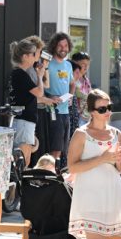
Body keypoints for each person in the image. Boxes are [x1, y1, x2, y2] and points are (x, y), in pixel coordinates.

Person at [66, 88, 121, 239]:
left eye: (109, 107)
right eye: (103, 109)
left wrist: (116, 161)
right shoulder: (81, 134)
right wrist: (102, 158)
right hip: (89, 194)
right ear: (91, 111)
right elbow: (72, 166)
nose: (108, 112)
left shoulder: (116, 134)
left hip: (110, 192)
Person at [9, 38, 55, 168]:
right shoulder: (20, 74)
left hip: (24, 121)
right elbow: (40, 92)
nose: (36, 57)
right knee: (23, 161)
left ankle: (19, 186)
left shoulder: (19, 73)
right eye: (33, 54)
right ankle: (19, 187)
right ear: (25, 56)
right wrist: (40, 76)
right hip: (23, 121)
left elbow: (35, 96)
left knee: (25, 159)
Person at [44, 33, 76, 162]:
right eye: (60, 45)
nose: (63, 48)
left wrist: (71, 96)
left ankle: (55, 173)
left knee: (62, 148)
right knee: (55, 147)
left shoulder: (68, 65)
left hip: (65, 111)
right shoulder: (48, 64)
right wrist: (49, 96)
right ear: (54, 47)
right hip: (52, 111)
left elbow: (72, 83)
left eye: (66, 45)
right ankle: (49, 174)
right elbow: (40, 85)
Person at [70, 51, 93, 124]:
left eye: (88, 64)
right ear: (75, 63)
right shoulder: (72, 78)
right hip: (76, 116)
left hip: (87, 116)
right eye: (83, 64)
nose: (86, 67)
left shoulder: (86, 79)